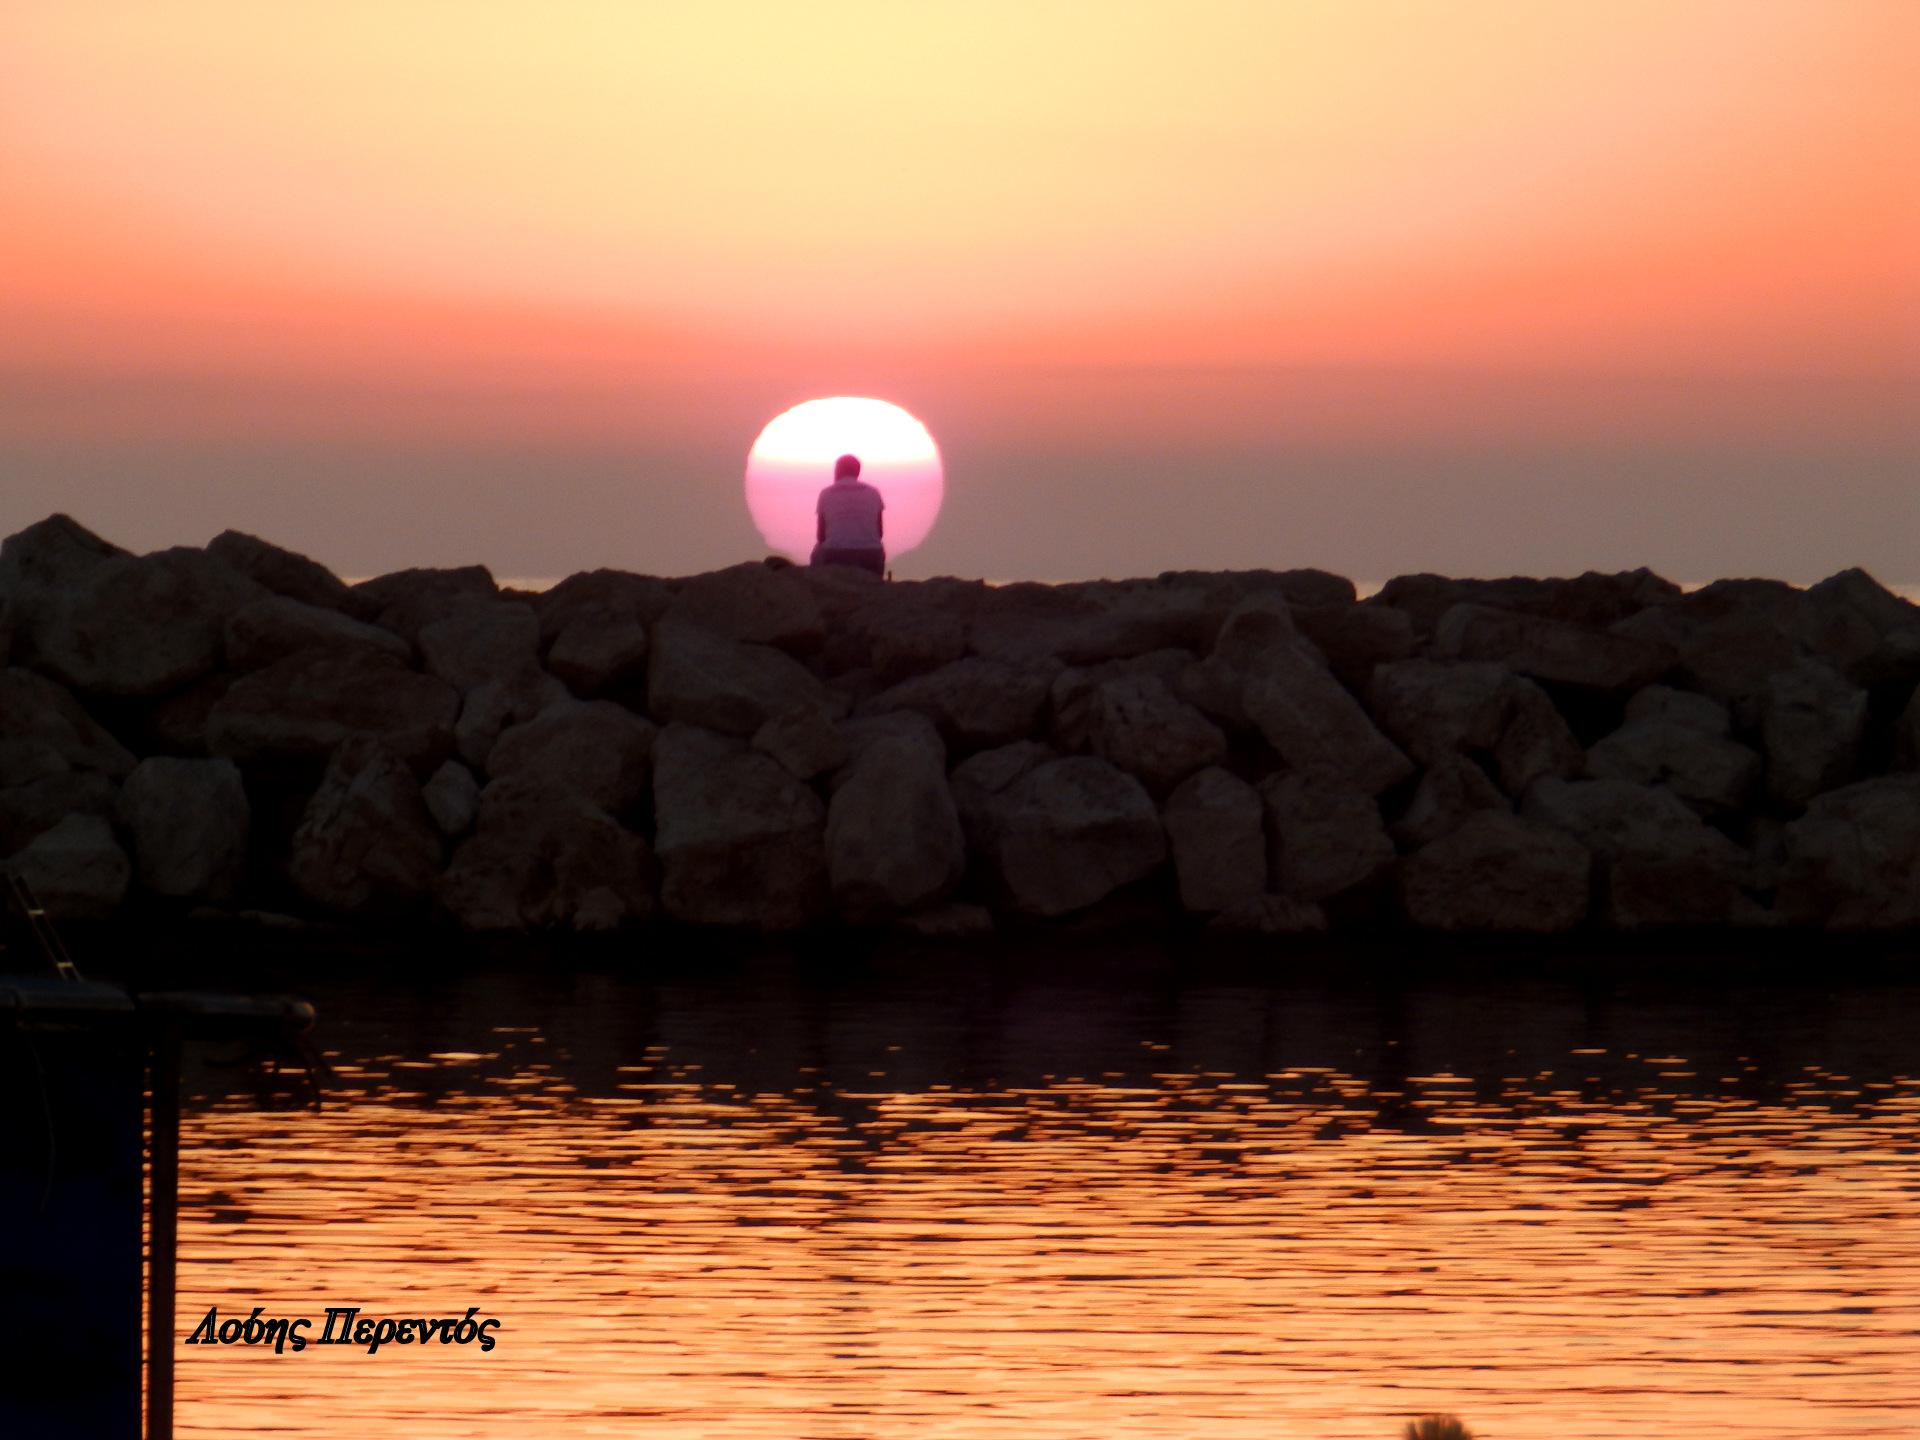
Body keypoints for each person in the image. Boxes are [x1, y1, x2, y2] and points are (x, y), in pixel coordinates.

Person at [810, 453, 886, 576]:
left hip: (835, 554)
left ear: (838, 470)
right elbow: (879, 533)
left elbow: (821, 536)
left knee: (817, 553)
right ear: (857, 471)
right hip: (870, 554)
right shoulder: (873, 492)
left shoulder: (826, 493)